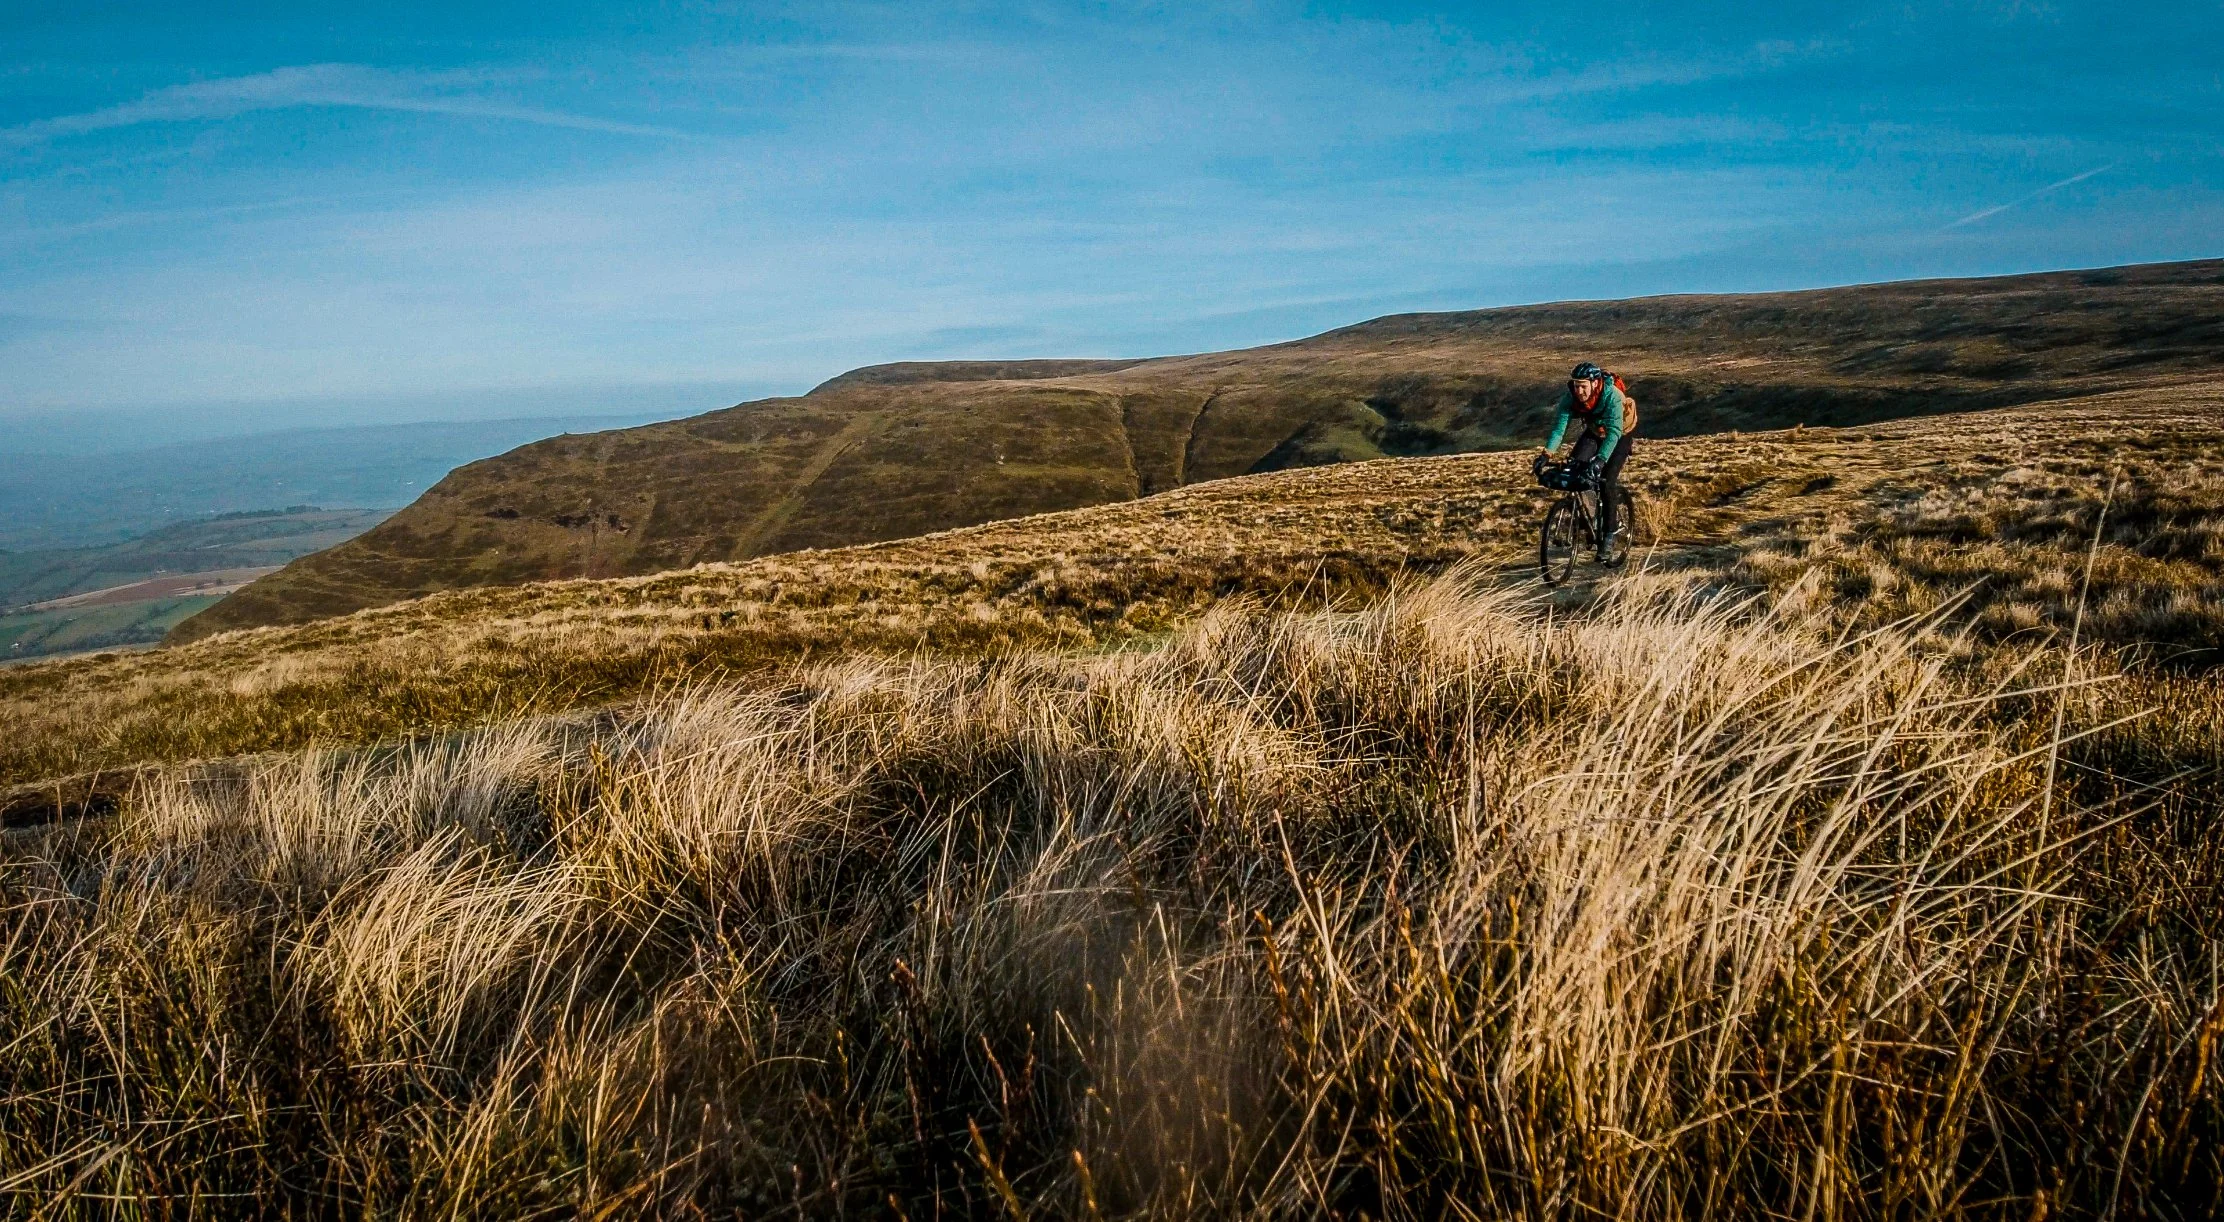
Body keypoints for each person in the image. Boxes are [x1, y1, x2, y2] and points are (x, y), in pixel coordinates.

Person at [1539, 361, 1635, 549]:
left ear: (1594, 383)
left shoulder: (1612, 396)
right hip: (1594, 430)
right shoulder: (1570, 398)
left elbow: (1614, 432)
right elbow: (1559, 430)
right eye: (1576, 386)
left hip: (1620, 433)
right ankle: (1590, 518)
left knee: (1607, 480)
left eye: (1583, 386)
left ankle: (1610, 532)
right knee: (1576, 469)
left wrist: (1600, 460)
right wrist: (1546, 454)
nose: (1579, 391)